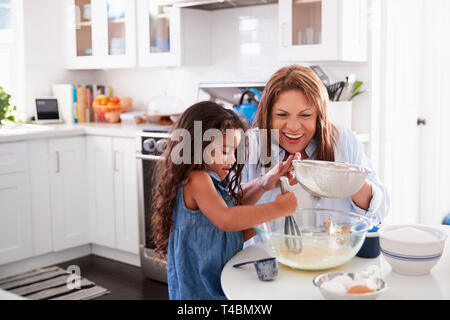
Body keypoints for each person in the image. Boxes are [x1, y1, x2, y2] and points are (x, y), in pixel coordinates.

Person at [151, 101, 297, 300]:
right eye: (225, 151)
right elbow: (227, 219)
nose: (232, 160)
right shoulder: (197, 179)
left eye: (234, 152)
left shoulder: (211, 183)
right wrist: (278, 208)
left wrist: (265, 182)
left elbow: (232, 207)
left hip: (219, 285)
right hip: (199, 295)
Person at [240, 65, 390, 237]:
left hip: (332, 256)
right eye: (282, 115)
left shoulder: (342, 140)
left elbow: (381, 210)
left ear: (319, 116)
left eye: (305, 115)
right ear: (268, 115)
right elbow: (221, 210)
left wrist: (353, 183)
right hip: (263, 259)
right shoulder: (248, 145)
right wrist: (262, 184)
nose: (294, 127)